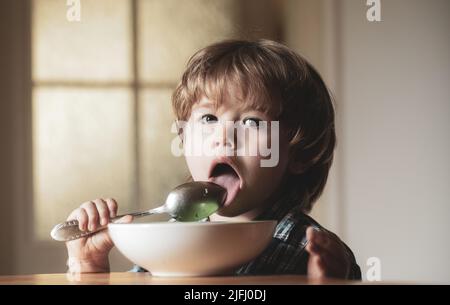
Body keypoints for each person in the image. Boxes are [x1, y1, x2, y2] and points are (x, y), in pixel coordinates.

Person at [65, 39, 361, 280]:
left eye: (252, 123)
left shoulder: (310, 252)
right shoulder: (167, 242)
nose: (222, 137)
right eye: (208, 117)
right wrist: (90, 267)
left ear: (299, 153)